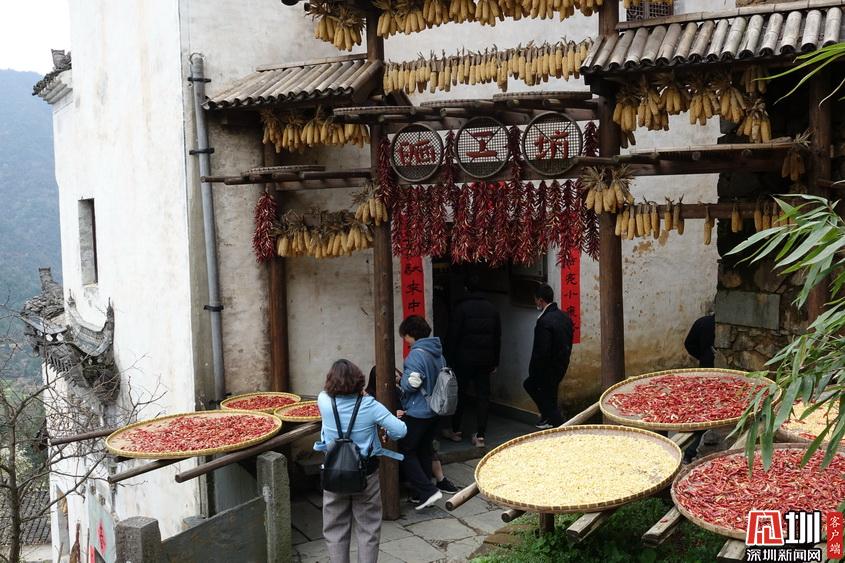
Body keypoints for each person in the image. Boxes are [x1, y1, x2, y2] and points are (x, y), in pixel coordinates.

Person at [315, 360, 407, 563]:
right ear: (359, 381)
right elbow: (400, 430)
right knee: (368, 529)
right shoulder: (370, 405)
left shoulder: (323, 400)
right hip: (366, 473)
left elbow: (325, 395)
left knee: (334, 529)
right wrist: (386, 432)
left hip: (333, 472)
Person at [365, 367, 459, 495]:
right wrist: (392, 415)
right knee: (411, 448)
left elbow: (408, 406)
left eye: (395, 376)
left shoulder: (397, 391)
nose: (394, 379)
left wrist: (404, 411)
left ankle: (439, 480)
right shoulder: (370, 396)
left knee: (425, 444)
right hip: (386, 433)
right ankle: (424, 488)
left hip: (403, 426)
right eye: (392, 376)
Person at [446, 274, 501, 447]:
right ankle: (480, 436)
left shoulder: (461, 308)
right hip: (485, 361)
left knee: (460, 394)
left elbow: (453, 336)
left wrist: (448, 359)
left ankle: (456, 430)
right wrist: (495, 361)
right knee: (483, 396)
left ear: (466, 289)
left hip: (463, 361)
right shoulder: (492, 309)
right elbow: (497, 338)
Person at [397, 315, 446, 509]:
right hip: (435, 409)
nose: (405, 340)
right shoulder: (437, 352)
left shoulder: (416, 354)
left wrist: (401, 380)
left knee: (406, 450)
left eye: (405, 336)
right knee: (424, 450)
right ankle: (422, 495)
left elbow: (412, 384)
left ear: (411, 334)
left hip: (418, 411)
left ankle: (428, 491)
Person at [524, 283, 573, 429]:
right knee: (549, 396)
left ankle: (560, 426)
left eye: (536, 300)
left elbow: (541, 350)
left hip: (547, 367)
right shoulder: (564, 317)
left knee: (544, 397)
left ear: (540, 300)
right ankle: (548, 419)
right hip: (561, 363)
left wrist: (534, 370)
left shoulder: (544, 321)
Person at [682, 312, 716, 463]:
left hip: (705, 368)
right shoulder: (710, 324)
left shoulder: (702, 322)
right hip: (714, 371)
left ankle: (691, 449)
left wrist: (702, 356)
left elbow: (689, 344)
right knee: (710, 410)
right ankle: (691, 450)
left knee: (703, 406)